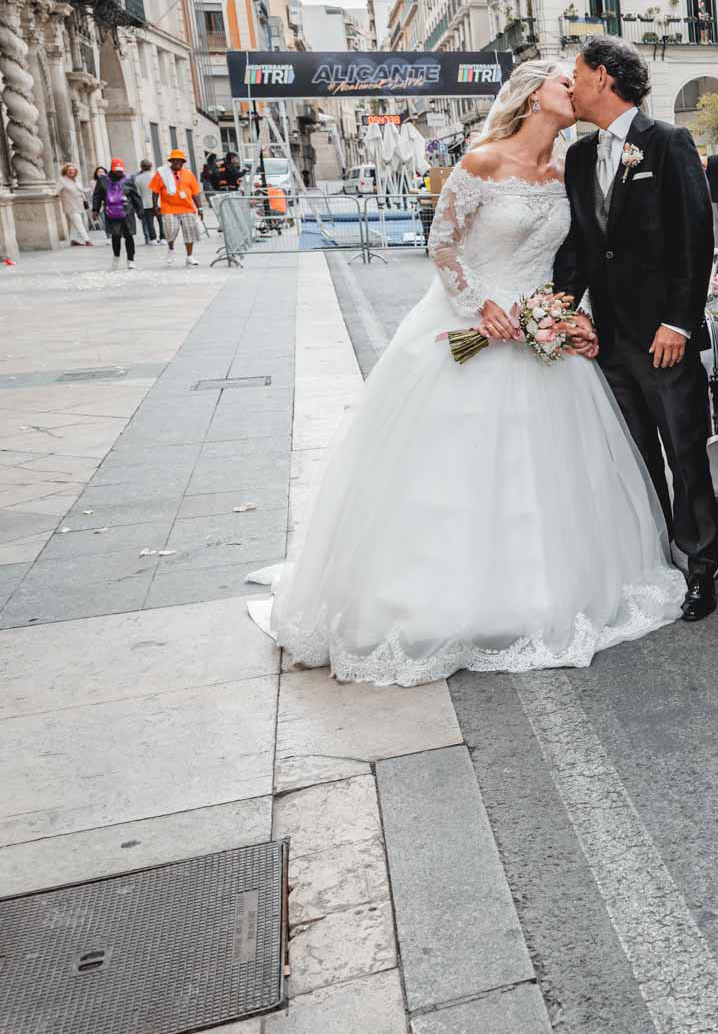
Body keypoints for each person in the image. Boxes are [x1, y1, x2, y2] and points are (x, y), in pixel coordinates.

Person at [247, 59, 686, 685]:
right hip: (470, 326)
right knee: (457, 469)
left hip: (540, 336)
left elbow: (579, 256)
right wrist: (480, 305)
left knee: (548, 476)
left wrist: (566, 315)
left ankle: (544, 592)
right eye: (565, 80)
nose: (576, 87)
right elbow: (441, 244)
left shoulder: (573, 168)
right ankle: (441, 598)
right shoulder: (482, 161)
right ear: (536, 96)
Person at [556, 37, 718, 621]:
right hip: (609, 340)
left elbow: (695, 237)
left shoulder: (669, 142)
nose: (569, 85)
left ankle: (702, 566)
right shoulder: (578, 158)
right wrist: (559, 308)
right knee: (634, 455)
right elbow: (580, 246)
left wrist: (679, 320)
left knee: (684, 452)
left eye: (575, 74)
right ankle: (655, 560)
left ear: (602, 77)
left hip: (663, 337)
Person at [156, 149, 207, 266]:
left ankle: (189, 257)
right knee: (170, 231)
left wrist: (200, 208)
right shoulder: (162, 173)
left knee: (189, 233)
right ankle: (171, 249)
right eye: (175, 161)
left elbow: (195, 193)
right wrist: (155, 205)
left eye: (180, 161)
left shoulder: (189, 174)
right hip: (168, 208)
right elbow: (155, 190)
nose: (177, 163)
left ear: (183, 162)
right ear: (171, 161)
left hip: (187, 208)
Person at [92, 159, 138, 269]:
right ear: (112, 169)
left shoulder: (128, 179)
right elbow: (97, 195)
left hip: (127, 212)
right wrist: (95, 209)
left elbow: (135, 195)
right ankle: (116, 257)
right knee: (115, 236)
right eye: (116, 170)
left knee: (129, 236)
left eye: (120, 170)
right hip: (112, 212)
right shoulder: (103, 180)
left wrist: (140, 211)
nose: (119, 172)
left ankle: (130, 260)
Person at [55, 163, 91, 247]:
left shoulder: (76, 180)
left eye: (73, 170)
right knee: (78, 222)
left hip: (79, 204)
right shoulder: (62, 180)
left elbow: (81, 190)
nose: (71, 171)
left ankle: (73, 240)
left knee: (74, 223)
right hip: (69, 205)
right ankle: (87, 240)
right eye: (69, 170)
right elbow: (57, 190)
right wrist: (55, 195)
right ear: (65, 171)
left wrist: (91, 188)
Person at [134, 158, 161, 243]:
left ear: (141, 167)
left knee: (149, 222)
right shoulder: (156, 176)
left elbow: (138, 193)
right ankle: (163, 238)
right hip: (158, 202)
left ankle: (153, 238)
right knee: (161, 221)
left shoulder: (137, 178)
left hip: (145, 203)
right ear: (151, 166)